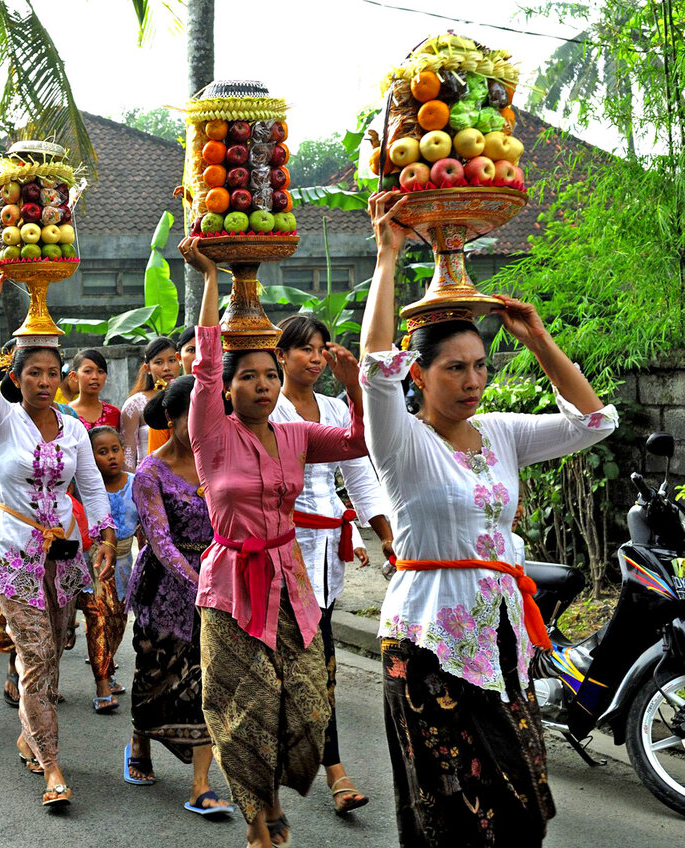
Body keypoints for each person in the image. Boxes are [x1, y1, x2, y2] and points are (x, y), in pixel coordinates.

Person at [362, 192, 618, 846]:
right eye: (454, 368)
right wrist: (388, 257)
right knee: (446, 812)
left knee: (520, 805)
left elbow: (595, 422)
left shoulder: (501, 432)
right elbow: (372, 368)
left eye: (480, 365)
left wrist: (537, 339)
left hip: (502, 641)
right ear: (417, 374)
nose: (472, 379)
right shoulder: (400, 442)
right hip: (427, 642)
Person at [180, 236, 368, 848]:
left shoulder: (295, 435)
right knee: (243, 709)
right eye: (250, 378)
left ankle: (273, 795)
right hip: (233, 584)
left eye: (270, 377)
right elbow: (207, 361)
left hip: (293, 582)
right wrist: (211, 279)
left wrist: (357, 387)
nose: (263, 387)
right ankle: (259, 820)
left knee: (311, 702)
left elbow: (359, 444)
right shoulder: (212, 434)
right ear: (228, 390)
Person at [0, 260, 116, 808]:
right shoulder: (0, 418)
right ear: (17, 376)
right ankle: (53, 766)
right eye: (35, 373)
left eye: (54, 373)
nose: (46, 381)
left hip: (65, 553)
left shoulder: (75, 427)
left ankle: (31, 733)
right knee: (35, 653)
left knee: (55, 653)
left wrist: (102, 538)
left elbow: (94, 486)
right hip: (12, 550)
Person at [271, 313, 394, 815]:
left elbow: (361, 477)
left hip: (325, 557)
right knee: (289, 668)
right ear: (280, 355)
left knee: (321, 667)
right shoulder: (266, 406)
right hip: (276, 551)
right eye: (305, 348)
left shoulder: (335, 408)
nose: (317, 357)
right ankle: (323, 770)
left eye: (323, 348)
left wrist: (387, 536)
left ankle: (329, 766)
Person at [124, 376, 231, 817]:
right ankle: (139, 738)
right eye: (195, 416)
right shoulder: (151, 471)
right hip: (165, 589)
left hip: (219, 585)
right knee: (155, 675)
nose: (206, 426)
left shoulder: (225, 464)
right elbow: (161, 542)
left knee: (207, 680)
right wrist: (198, 583)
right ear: (171, 418)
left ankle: (201, 784)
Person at [80, 425, 134, 714]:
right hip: (93, 563)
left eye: (116, 449)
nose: (112, 456)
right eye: (102, 452)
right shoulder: (84, 486)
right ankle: (101, 683)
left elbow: (147, 525)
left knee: (117, 621)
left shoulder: (136, 484)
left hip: (125, 565)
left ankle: (108, 669)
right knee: (99, 618)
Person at [121, 337, 179, 471]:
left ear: (179, 360)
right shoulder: (135, 404)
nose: (166, 368)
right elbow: (128, 456)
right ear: (147, 368)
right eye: (158, 362)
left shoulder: (189, 396)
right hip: (149, 476)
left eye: (172, 360)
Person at [68, 350, 121, 431]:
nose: (95, 377)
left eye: (100, 371)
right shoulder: (64, 413)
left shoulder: (114, 414)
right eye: (88, 371)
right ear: (74, 376)